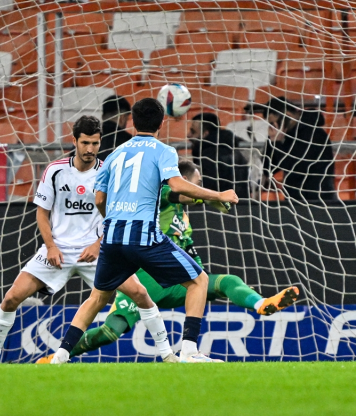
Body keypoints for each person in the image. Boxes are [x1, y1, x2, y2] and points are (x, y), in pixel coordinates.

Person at [36, 160, 299, 363]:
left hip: (173, 283)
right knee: (111, 331)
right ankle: (62, 355)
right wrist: (212, 196)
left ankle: (262, 304)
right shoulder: (161, 194)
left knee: (223, 281)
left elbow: (187, 246)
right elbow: (181, 194)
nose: (198, 185)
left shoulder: (182, 218)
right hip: (146, 279)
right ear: (185, 180)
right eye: (196, 181)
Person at [51, 98, 239, 364]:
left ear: (132, 122)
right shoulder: (164, 151)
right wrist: (218, 194)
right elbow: (177, 185)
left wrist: (114, 221)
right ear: (162, 123)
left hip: (114, 236)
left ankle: (60, 355)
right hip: (143, 236)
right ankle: (189, 351)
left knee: (97, 297)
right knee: (199, 281)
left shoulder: (114, 154)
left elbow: (100, 200)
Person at [0, 116, 106, 364]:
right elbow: (41, 213)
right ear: (74, 141)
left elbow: (115, 215)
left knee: (138, 293)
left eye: (95, 143)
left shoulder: (106, 172)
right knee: (12, 297)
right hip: (58, 251)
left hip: (93, 251)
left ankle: (168, 354)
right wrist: (52, 246)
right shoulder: (55, 170)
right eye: (85, 143)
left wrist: (98, 245)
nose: (90, 149)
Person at [263, 96, 336, 201]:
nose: (273, 127)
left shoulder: (314, 133)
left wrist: (278, 142)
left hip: (320, 202)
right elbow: (267, 168)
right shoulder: (285, 136)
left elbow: (295, 167)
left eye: (274, 123)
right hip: (294, 202)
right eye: (270, 125)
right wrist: (273, 141)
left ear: (287, 116)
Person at [188, 112, 250, 198]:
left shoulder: (208, 157)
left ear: (205, 134)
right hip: (242, 206)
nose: (188, 135)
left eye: (193, 131)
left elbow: (207, 192)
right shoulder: (236, 151)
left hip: (218, 208)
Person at [98, 95, 133, 161]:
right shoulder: (130, 141)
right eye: (126, 119)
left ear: (102, 117)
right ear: (122, 118)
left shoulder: (87, 138)